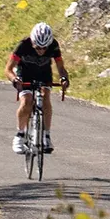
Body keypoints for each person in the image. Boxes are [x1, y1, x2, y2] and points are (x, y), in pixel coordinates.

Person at [5, 20, 69, 154]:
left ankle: (46, 136)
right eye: (38, 47)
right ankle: (20, 135)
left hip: (44, 74)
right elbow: (8, 69)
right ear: (32, 42)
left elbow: (61, 67)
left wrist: (64, 79)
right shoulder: (23, 45)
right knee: (27, 101)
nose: (41, 51)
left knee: (46, 98)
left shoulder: (54, 45)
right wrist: (15, 80)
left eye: (44, 48)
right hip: (24, 74)